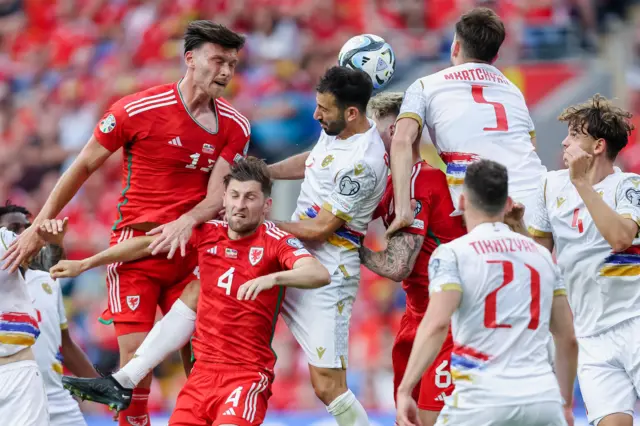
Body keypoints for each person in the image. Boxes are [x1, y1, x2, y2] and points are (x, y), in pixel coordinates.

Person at [2, 21, 250, 426]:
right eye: (218, 60)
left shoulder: (236, 126)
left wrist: (186, 221)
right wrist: (37, 225)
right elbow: (81, 166)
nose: (225, 71)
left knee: (207, 366)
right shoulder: (137, 110)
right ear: (190, 59)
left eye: (233, 64)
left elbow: (217, 195)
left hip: (193, 255)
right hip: (136, 256)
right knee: (134, 377)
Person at [54, 158, 331, 425]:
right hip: (201, 378)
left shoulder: (275, 239)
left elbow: (318, 273)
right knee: (194, 289)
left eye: (250, 197)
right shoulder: (208, 232)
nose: (240, 205)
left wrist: (273, 279)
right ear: (223, 200)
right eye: (234, 196)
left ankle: (124, 380)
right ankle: (125, 379)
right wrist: (86, 263)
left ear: (266, 205)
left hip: (245, 376)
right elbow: (144, 245)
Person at [396, 160, 578, 426]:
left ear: (461, 202)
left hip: (480, 401)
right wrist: (565, 403)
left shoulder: (452, 254)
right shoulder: (541, 257)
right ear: (508, 204)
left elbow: (436, 324)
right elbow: (567, 338)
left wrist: (404, 389)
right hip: (542, 400)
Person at [266, 66, 388, 425]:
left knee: (327, 385)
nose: (316, 114)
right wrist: (265, 171)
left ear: (352, 113)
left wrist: (262, 227)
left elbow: (320, 228)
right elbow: (313, 161)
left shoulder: (364, 162)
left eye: (324, 108)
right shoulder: (335, 130)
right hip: (292, 253)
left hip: (329, 268)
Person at [522, 95, 640, 426]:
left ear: (598, 146)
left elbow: (620, 237)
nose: (564, 141)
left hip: (635, 322)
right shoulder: (549, 186)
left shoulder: (629, 187)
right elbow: (539, 257)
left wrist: (581, 183)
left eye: (574, 134)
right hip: (591, 337)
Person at [386, 7, 546, 237]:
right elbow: (532, 147)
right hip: (535, 196)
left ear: (456, 47)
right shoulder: (512, 90)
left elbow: (401, 140)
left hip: (482, 205)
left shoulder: (425, 86)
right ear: (495, 56)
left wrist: (403, 209)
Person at [359, 93, 466, 426]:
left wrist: (349, 246)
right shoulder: (393, 184)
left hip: (447, 322)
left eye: (373, 132)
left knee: (432, 420)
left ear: (393, 131)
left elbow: (396, 267)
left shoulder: (423, 181)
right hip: (415, 318)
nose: (368, 142)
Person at [0, 204, 98, 426]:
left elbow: (66, 343)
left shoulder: (46, 280)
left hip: (51, 395)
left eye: (27, 228)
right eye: (15, 228)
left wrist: (98, 387)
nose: (23, 234)